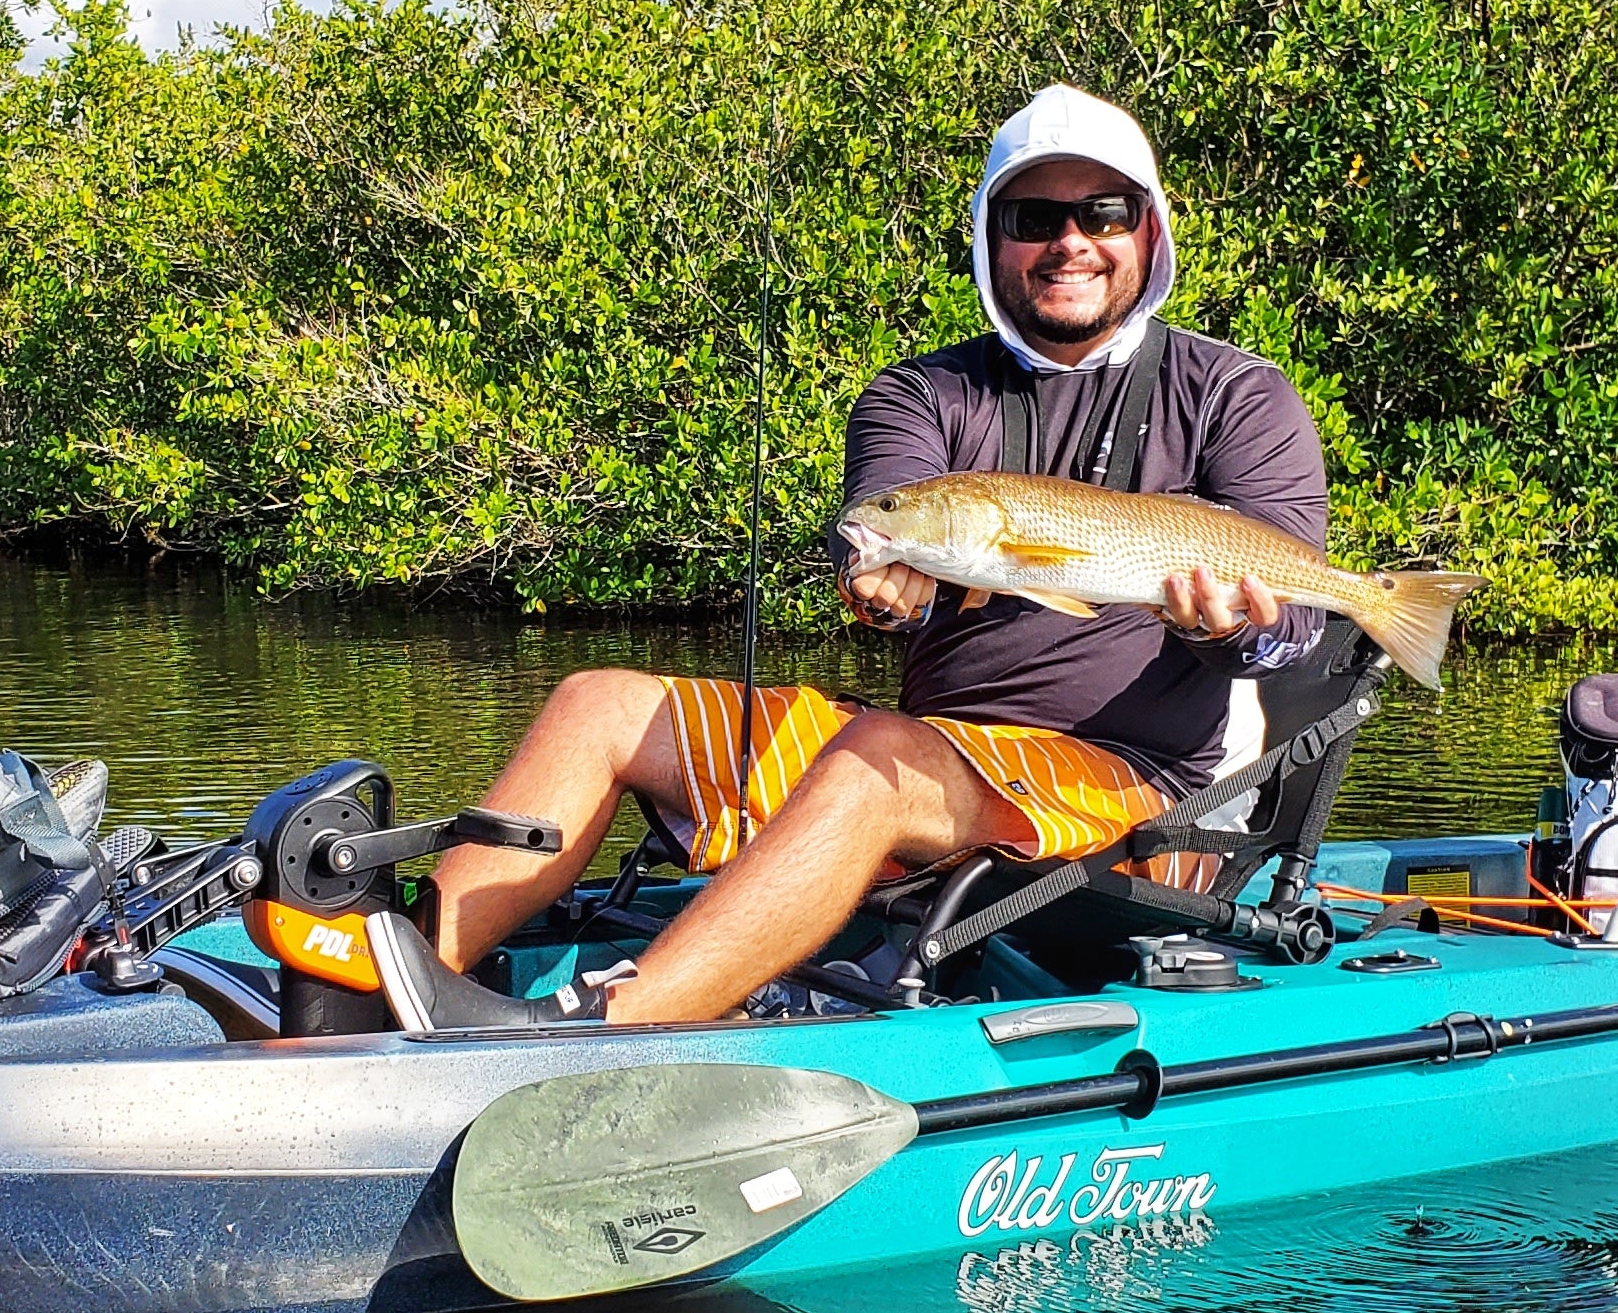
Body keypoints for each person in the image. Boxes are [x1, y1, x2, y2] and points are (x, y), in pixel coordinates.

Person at [413, 83, 1340, 1026]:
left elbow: (1296, 630)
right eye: (1033, 216)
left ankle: (601, 1034)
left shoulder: (1237, 395)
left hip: (1132, 785)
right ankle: (397, 993)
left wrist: (1233, 638)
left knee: (880, 757)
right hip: (935, 756)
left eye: (1103, 211)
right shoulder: (919, 393)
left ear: (1148, 230)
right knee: (597, 705)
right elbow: (884, 515)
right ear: (990, 236)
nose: (1070, 241)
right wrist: (887, 588)